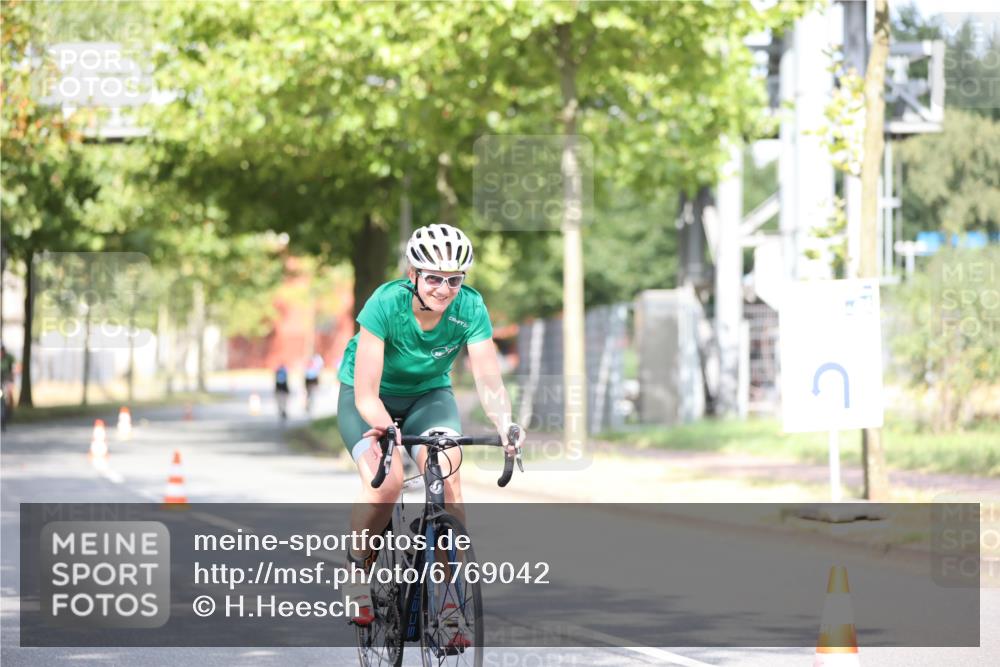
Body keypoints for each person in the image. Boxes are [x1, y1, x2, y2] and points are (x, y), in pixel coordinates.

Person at [337, 223, 524, 628]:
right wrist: (386, 429)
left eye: (454, 279)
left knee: (449, 475)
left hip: (428, 396)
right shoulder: (384, 304)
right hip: (369, 398)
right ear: (414, 275)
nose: (444, 288)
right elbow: (367, 393)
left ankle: (447, 603)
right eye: (434, 278)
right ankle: (356, 568)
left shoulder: (470, 308)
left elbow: (489, 379)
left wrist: (505, 423)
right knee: (385, 484)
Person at [1, 345, 14, 431]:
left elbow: (16, 367)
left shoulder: (9, 358)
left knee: (8, 397)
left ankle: (8, 414)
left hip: (6, 381)